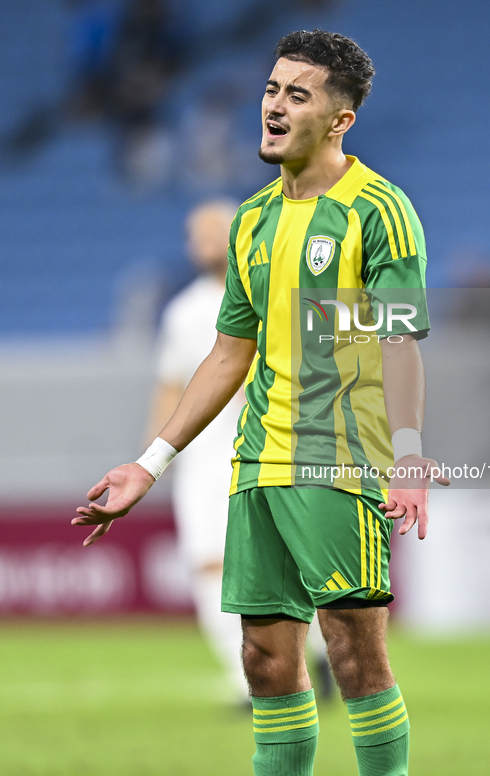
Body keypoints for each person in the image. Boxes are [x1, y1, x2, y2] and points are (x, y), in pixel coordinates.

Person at [74, 29, 449, 776]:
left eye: (296, 94)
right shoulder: (252, 219)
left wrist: (405, 455)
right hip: (257, 464)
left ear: (340, 119)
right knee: (264, 658)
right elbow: (226, 355)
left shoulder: (377, 208)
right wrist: (149, 464)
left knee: (352, 651)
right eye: (272, 89)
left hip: (335, 459)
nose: (273, 106)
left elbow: (400, 340)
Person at [146, 199, 248, 701]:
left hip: (267, 449)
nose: (204, 242)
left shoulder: (270, 293)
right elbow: (169, 384)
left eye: (214, 231)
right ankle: (247, 679)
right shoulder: (183, 312)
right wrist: (151, 459)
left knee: (287, 566)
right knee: (210, 563)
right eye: (196, 234)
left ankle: (311, 656)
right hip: (203, 459)